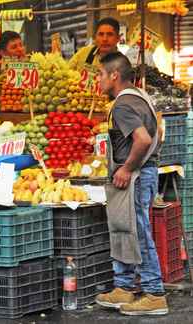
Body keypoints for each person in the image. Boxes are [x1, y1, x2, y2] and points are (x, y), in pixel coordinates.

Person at [95, 52, 168, 316]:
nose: (98, 80)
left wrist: (127, 168)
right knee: (125, 229)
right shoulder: (139, 96)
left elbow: (143, 139)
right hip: (144, 173)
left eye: (101, 74)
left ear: (114, 75)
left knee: (137, 232)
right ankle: (123, 287)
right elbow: (157, 132)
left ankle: (154, 293)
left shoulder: (123, 105)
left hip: (135, 176)